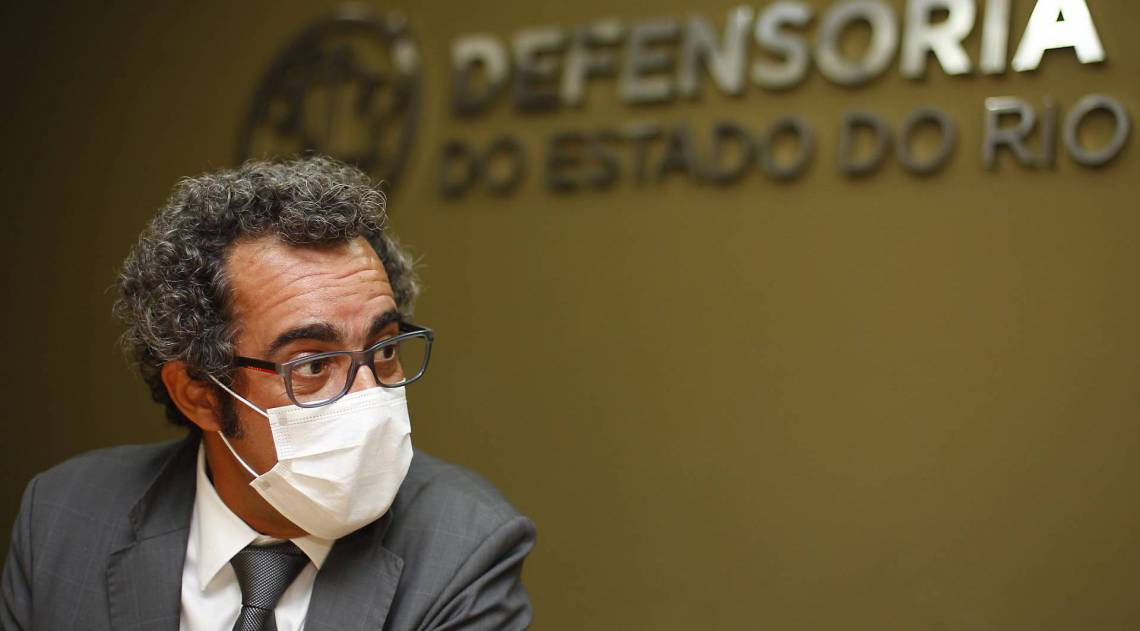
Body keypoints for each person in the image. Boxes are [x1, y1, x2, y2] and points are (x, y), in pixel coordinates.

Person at [0, 157, 536, 630]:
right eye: (314, 364)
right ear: (199, 394)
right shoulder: (64, 517)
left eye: (385, 349)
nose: (370, 394)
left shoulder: (466, 547)